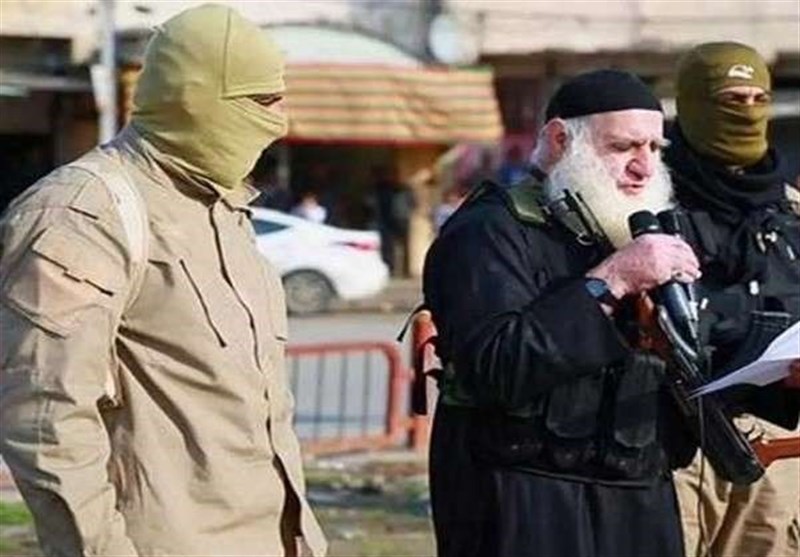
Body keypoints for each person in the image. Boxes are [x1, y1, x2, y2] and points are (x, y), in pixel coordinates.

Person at [0, 5, 326, 557]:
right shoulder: (82, 213)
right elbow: (46, 422)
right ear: (195, 99)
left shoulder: (224, 210)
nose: (280, 121)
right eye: (260, 101)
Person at [423, 69, 698, 557]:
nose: (644, 167)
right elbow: (496, 364)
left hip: (637, 492)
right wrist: (610, 282)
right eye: (623, 147)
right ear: (558, 140)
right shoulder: (490, 230)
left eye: (655, 148)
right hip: (524, 497)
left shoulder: (632, 232)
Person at [665, 42, 800, 557]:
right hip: (672, 446)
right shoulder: (647, 204)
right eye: (730, 99)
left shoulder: (790, 212)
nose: (747, 112)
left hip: (775, 447)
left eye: (757, 98)